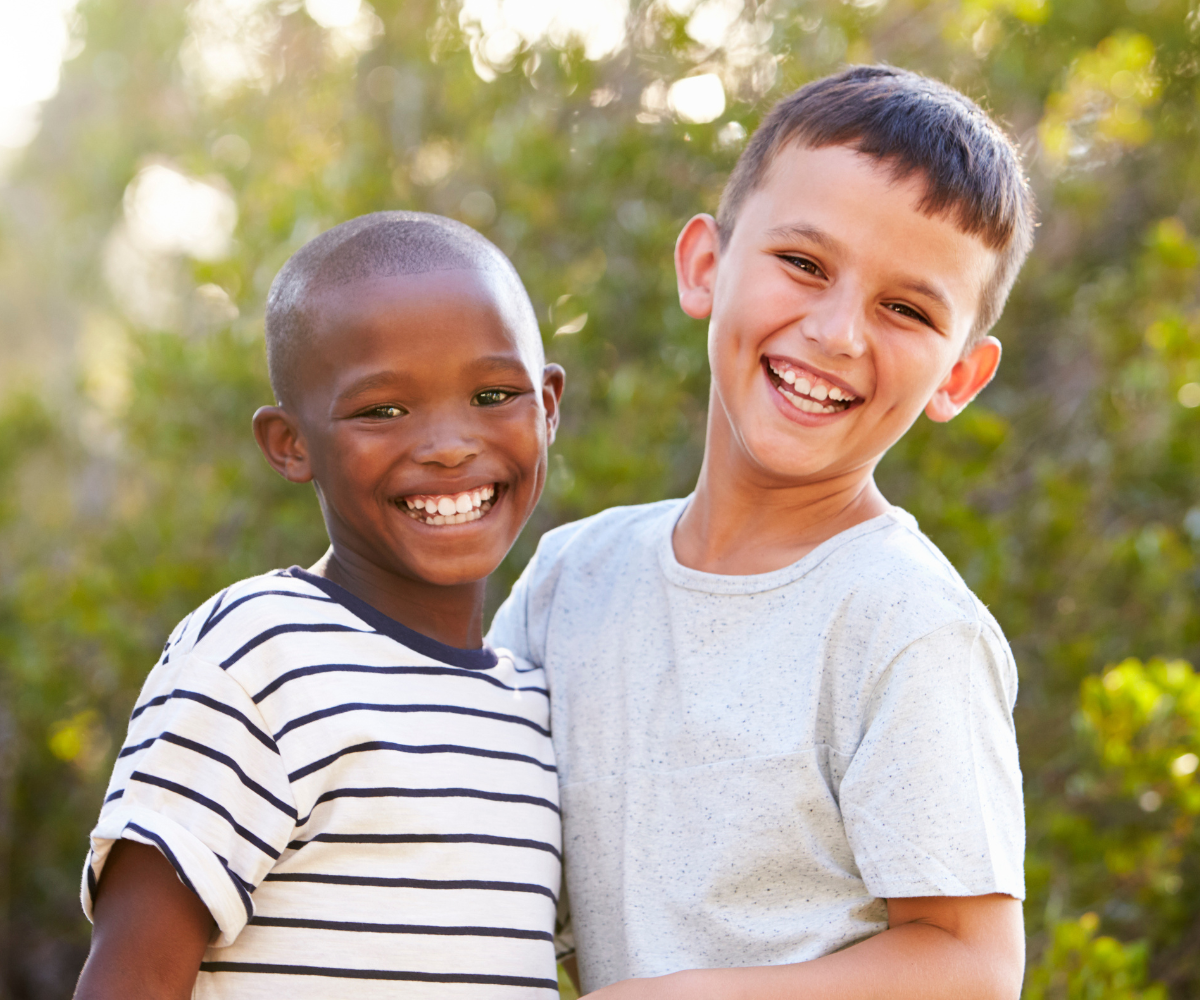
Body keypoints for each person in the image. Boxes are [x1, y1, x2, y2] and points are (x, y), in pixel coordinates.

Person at [488, 65, 1035, 999]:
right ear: (705, 265)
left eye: (906, 309)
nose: (836, 332)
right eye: (805, 264)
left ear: (960, 377)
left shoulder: (905, 623)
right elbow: (477, 849)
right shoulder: (572, 578)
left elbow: (970, 963)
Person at [73, 212, 567, 999]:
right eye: (382, 409)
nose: (448, 444)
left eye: (493, 394)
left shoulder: (538, 709)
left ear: (548, 406)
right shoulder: (259, 655)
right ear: (289, 443)